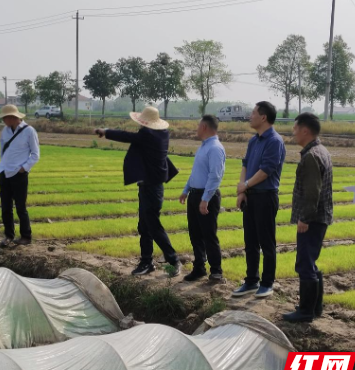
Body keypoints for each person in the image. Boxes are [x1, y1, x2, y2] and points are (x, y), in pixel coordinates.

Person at [95, 106, 183, 277]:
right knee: (144, 225)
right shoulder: (161, 134)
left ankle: (173, 260)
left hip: (152, 187)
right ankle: (146, 262)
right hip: (148, 186)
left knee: (153, 226)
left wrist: (106, 132)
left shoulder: (148, 135)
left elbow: (127, 136)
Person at [282, 113, 333, 323]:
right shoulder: (321, 151)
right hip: (319, 217)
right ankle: (314, 307)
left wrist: (304, 218)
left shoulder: (312, 155)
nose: (293, 133)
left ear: (304, 130)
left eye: (295, 128)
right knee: (310, 261)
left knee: (304, 263)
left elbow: (313, 192)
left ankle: (306, 311)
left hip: (312, 218)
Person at [232, 101, 286, 298]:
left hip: (265, 196)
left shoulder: (275, 141)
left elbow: (266, 171)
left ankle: (267, 283)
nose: (250, 116)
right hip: (251, 196)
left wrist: (246, 185)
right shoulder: (254, 140)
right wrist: (242, 191)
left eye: (253, 113)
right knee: (250, 241)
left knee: (266, 242)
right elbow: (246, 165)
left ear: (263, 117)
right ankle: (251, 281)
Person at [179, 115, 226, 282]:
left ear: (205, 127)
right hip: (195, 193)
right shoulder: (203, 148)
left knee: (209, 235)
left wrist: (205, 199)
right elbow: (196, 173)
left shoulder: (215, 148)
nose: (196, 128)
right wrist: (186, 190)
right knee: (195, 234)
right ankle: (199, 268)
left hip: (208, 196)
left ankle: (216, 272)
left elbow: (215, 176)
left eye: (199, 125)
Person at [0, 104, 40, 247]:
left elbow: (35, 154)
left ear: (14, 118)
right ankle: (8, 236)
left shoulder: (29, 131)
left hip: (19, 174)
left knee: (20, 206)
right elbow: (3, 150)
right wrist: (3, 166)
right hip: (5, 172)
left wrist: (24, 168)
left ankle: (26, 236)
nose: (4, 121)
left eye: (5, 118)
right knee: (6, 206)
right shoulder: (5, 131)